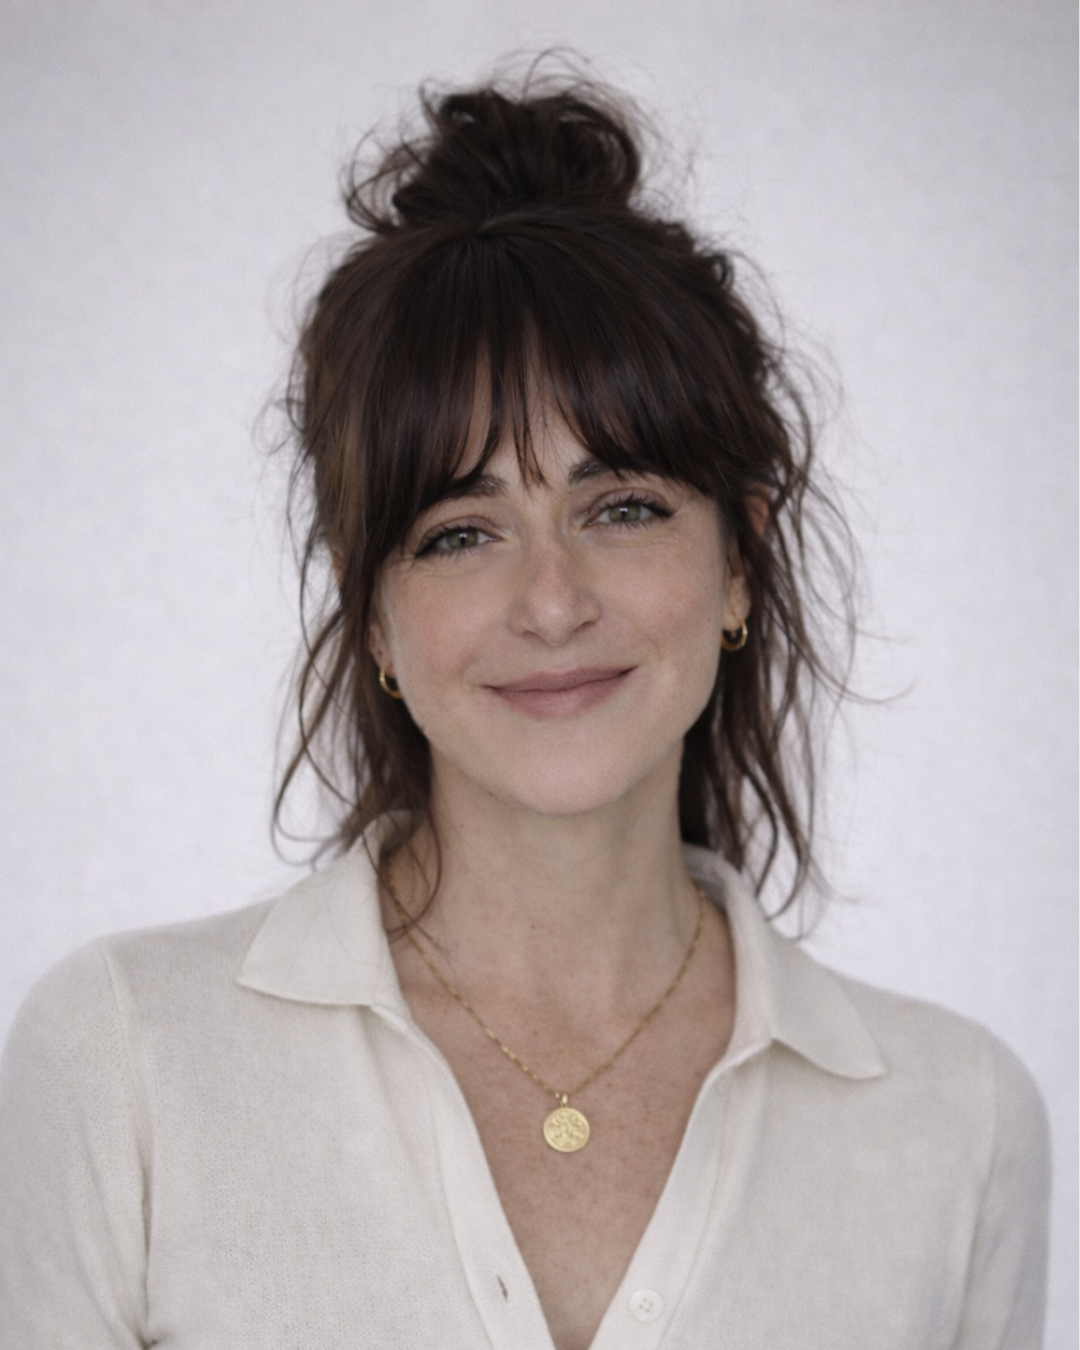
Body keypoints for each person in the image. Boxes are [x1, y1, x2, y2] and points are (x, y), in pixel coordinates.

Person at [0, 69, 1050, 1350]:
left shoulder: (962, 1121)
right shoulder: (125, 1063)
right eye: (458, 532)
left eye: (623, 508)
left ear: (738, 562)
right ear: (370, 605)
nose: (551, 603)